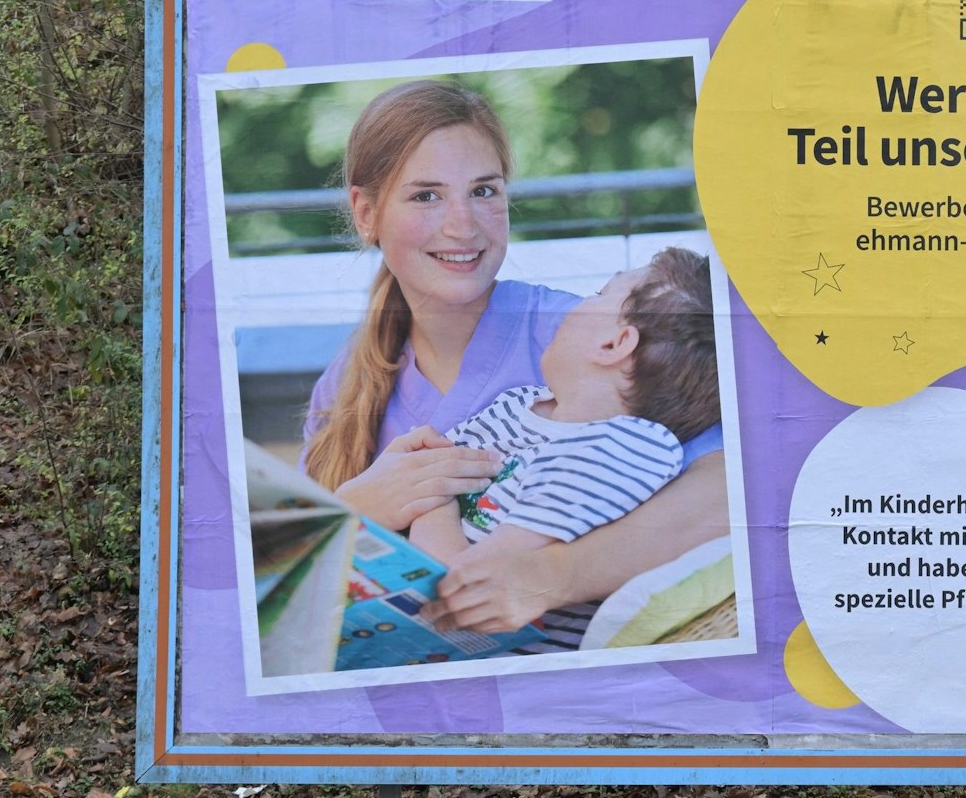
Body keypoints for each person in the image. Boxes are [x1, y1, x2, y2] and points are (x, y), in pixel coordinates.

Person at [300, 80, 728, 638]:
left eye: (484, 191)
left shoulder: (595, 343)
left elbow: (729, 490)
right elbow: (293, 590)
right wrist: (356, 510)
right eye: (426, 195)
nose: (464, 225)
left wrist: (555, 573)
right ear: (366, 213)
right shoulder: (342, 389)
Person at [408, 247, 719, 650]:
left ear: (614, 344)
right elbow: (427, 478)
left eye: (598, 294)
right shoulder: (516, 405)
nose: (578, 305)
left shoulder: (624, 448)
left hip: (500, 661)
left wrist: (431, 495)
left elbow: (469, 583)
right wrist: (428, 483)